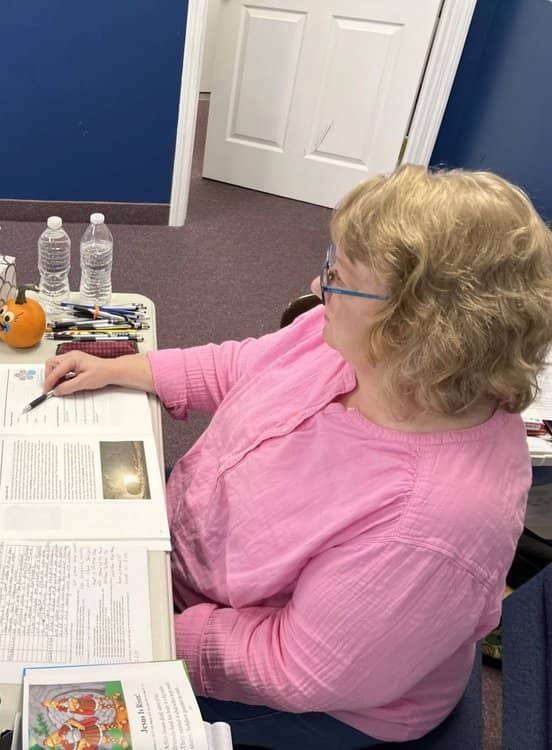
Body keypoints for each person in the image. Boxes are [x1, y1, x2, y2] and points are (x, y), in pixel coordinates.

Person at [44, 165, 552, 748]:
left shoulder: (432, 519)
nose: (317, 286)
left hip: (310, 690)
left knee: (49, 694)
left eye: (340, 278)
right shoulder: (370, 346)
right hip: (201, 558)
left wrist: (137, 628)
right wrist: (125, 368)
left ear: (420, 326)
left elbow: (296, 668)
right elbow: (250, 366)